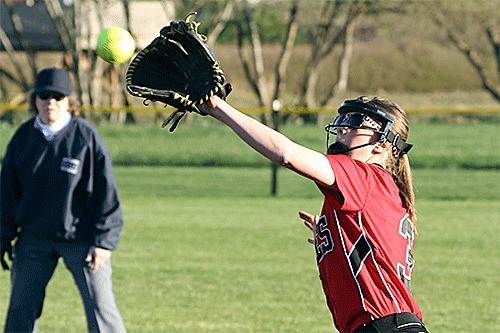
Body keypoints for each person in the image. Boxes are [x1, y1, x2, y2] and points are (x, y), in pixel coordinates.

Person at [199, 95, 428, 333]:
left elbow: (286, 154)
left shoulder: (365, 177)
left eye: (356, 121)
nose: (342, 127)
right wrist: (339, 235)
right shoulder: (378, 188)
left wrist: (218, 108)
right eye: (342, 119)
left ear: (382, 143)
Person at [0, 67, 126, 333]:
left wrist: (104, 242)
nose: (51, 103)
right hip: (34, 238)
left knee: (101, 310)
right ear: (34, 100)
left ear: (70, 101)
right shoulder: (23, 139)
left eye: (58, 96)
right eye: (44, 96)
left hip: (81, 239)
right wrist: (2, 236)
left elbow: (106, 193)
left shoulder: (85, 138)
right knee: (20, 310)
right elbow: (7, 194)